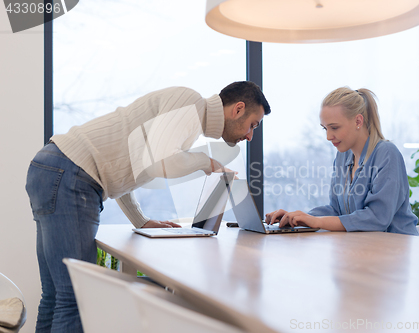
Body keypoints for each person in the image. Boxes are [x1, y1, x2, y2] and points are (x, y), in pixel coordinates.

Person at [25, 81, 271, 333]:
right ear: (238, 109)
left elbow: (126, 168)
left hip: (55, 167)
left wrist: (140, 220)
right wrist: (205, 162)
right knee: (72, 297)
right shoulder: (191, 104)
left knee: (55, 295)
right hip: (71, 174)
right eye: (253, 124)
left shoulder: (188, 116)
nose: (250, 136)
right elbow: (159, 162)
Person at [265, 87, 418, 236]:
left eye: (335, 128)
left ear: (358, 121)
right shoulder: (343, 156)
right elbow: (337, 211)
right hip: (362, 248)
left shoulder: (386, 153)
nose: (328, 136)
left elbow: (377, 218)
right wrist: (298, 218)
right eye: (325, 128)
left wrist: (317, 222)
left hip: (395, 249)